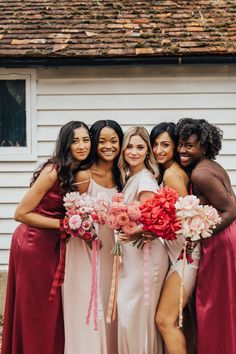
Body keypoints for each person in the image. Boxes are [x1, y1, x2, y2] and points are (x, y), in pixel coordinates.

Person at [1, 121, 91, 354]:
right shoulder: (53, 171)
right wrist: (64, 225)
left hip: (53, 243)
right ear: (65, 143)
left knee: (52, 309)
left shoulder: (78, 170)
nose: (81, 145)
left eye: (85, 140)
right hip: (33, 243)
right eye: (75, 140)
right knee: (37, 308)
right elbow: (21, 213)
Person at [62, 119, 123, 354]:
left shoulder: (121, 176)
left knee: (111, 306)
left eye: (114, 141)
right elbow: (70, 214)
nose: (108, 146)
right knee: (87, 306)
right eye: (102, 141)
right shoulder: (83, 175)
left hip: (113, 253)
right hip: (85, 251)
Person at [176, 118, 236, 354]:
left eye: (189, 145)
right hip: (224, 236)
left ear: (204, 146)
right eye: (181, 144)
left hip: (219, 242)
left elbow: (231, 210)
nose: (182, 150)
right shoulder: (210, 166)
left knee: (212, 303)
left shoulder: (201, 174)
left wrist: (198, 234)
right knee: (221, 303)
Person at [117, 126, 169, 354]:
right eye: (129, 146)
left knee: (134, 315)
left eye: (140, 147)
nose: (134, 152)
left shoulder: (145, 180)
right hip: (133, 256)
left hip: (145, 256)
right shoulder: (131, 178)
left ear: (148, 150)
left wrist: (130, 232)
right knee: (131, 314)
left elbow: (152, 220)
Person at [149, 122, 200, 354]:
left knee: (164, 320)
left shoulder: (170, 174)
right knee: (176, 322)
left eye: (165, 145)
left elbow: (189, 216)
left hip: (184, 256)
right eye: (155, 145)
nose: (159, 150)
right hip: (175, 256)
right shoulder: (170, 171)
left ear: (175, 147)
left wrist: (151, 228)